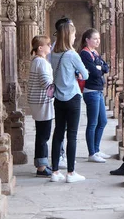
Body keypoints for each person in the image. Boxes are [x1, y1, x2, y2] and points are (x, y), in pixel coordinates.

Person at [50, 20, 89, 183]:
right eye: (73, 34)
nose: (74, 38)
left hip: (58, 97)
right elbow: (85, 74)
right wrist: (77, 74)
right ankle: (71, 173)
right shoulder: (72, 54)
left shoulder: (53, 54)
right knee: (71, 135)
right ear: (68, 36)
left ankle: (55, 171)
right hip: (72, 97)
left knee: (58, 133)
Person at [79, 28, 110, 163]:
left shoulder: (95, 53)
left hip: (98, 90)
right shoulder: (85, 54)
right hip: (91, 91)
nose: (98, 41)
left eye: (98, 38)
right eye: (95, 38)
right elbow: (95, 72)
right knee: (93, 123)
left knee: (103, 121)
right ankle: (92, 153)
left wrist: (100, 67)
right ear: (87, 40)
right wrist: (99, 68)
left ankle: (96, 150)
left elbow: (106, 67)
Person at [27, 35, 54, 177]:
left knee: (41, 134)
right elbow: (46, 83)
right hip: (42, 102)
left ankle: (41, 164)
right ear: (40, 48)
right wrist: (58, 89)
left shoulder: (37, 61)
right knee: (44, 135)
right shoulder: (41, 62)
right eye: (48, 44)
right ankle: (42, 167)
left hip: (38, 101)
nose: (50, 46)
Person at [48, 16, 72, 170]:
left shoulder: (58, 49)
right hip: (64, 92)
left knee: (61, 127)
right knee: (63, 129)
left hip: (60, 91)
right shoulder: (62, 50)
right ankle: (62, 156)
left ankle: (60, 159)